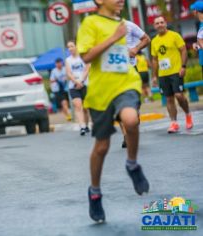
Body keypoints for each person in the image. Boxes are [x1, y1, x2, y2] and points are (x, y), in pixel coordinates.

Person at [77, 0, 149, 222]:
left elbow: (145, 38)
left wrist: (134, 48)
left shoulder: (125, 23)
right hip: (101, 92)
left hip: (126, 83)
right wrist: (114, 38)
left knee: (131, 119)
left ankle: (132, 164)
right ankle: (95, 192)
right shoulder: (90, 23)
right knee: (102, 147)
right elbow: (86, 56)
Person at [151, 16, 193, 133]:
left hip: (176, 71)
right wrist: (154, 76)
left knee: (179, 95)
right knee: (169, 98)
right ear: (154, 26)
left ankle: (188, 114)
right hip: (163, 74)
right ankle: (174, 123)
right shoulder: (154, 41)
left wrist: (183, 66)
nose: (159, 25)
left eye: (161, 22)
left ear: (165, 23)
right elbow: (154, 59)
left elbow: (183, 50)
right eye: (157, 23)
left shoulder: (174, 35)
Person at [121, 19, 151, 148]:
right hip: (114, 72)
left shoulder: (129, 25)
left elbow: (146, 39)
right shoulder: (101, 26)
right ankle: (126, 136)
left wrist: (135, 49)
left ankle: (134, 118)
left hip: (131, 70)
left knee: (133, 105)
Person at [65, 41, 91, 135]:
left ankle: (87, 125)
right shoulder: (68, 60)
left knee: (85, 107)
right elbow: (68, 73)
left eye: (72, 46)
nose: (70, 48)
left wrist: (81, 81)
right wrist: (76, 82)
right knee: (77, 105)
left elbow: (87, 69)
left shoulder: (83, 57)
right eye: (68, 47)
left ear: (76, 46)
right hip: (73, 86)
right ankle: (82, 127)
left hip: (84, 84)